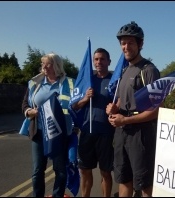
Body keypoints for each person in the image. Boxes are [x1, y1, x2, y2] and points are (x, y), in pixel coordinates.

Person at [106, 21, 160, 197]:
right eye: (123, 43)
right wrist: (115, 108)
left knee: (144, 185)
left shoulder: (149, 70)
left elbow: (155, 110)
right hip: (122, 132)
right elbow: (124, 97)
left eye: (130, 42)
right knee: (124, 179)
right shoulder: (124, 70)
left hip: (141, 134)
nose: (126, 46)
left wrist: (125, 119)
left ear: (140, 44)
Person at [21, 53, 75, 197]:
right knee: (37, 171)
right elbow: (25, 104)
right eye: (42, 63)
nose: (44, 67)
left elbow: (76, 103)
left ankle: (57, 195)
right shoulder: (35, 83)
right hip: (38, 133)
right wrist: (30, 111)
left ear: (56, 66)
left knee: (60, 170)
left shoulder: (68, 83)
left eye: (48, 64)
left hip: (59, 133)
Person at [70, 48, 115, 197]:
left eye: (102, 59)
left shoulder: (115, 80)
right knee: (85, 170)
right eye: (96, 59)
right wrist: (84, 98)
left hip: (106, 134)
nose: (99, 62)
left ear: (109, 61)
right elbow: (74, 106)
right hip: (87, 132)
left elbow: (122, 104)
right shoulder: (87, 80)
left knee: (106, 172)